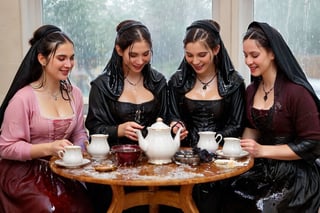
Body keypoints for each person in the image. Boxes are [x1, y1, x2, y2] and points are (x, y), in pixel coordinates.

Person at [222, 21, 320, 213]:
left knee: (263, 207)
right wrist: (236, 150)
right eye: (245, 55)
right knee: (228, 194)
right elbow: (251, 132)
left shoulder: (296, 93)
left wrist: (262, 150)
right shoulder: (251, 90)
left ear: (273, 53)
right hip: (262, 170)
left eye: (254, 55)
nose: (248, 61)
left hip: (296, 175)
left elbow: (314, 144)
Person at [0, 25, 93, 212]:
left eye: (71, 58)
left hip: (61, 170)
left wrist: (81, 149)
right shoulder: (23, 98)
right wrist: (49, 148)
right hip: (23, 174)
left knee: (86, 205)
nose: (69, 64)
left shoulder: (73, 93)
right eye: (61, 58)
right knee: (50, 208)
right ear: (42, 59)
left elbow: (79, 133)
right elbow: (6, 147)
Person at [85, 20, 168, 213]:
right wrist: (118, 130)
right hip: (113, 167)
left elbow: (167, 117)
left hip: (153, 164)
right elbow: (94, 127)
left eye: (146, 54)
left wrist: (172, 125)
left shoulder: (159, 82)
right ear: (119, 50)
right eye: (133, 55)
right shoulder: (102, 85)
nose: (140, 61)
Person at [167, 19, 246, 213]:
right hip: (183, 160)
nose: (195, 61)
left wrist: (209, 142)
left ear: (216, 49)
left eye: (202, 55)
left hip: (222, 161)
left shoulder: (234, 82)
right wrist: (176, 126)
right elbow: (172, 115)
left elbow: (237, 124)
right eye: (189, 55)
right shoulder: (177, 81)